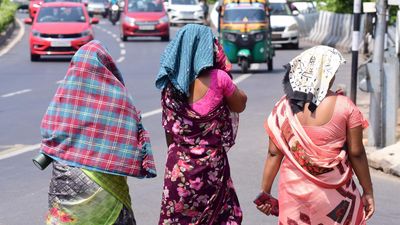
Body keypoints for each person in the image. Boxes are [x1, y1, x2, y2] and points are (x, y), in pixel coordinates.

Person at [39, 40, 157, 225]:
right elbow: (130, 144)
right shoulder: (119, 100)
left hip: (66, 184)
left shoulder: (64, 96)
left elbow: (48, 133)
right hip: (105, 186)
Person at [257, 46, 375, 224]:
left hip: (293, 193)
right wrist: (368, 192)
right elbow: (356, 153)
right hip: (334, 196)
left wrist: (265, 192)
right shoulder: (345, 106)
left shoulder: (283, 108)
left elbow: (274, 153)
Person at [155, 24, 247, 225]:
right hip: (212, 168)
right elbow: (240, 105)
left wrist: (180, 156)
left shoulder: (170, 85)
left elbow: (169, 131)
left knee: (178, 218)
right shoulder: (219, 78)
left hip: (179, 168)